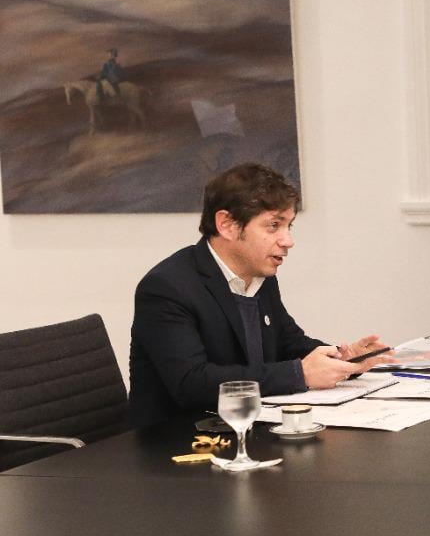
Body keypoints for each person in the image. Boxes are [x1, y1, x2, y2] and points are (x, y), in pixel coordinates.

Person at [129, 163, 392, 427]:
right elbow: (191, 383)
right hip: (176, 444)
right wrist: (299, 374)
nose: (288, 240)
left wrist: (341, 359)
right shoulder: (167, 288)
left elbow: (289, 343)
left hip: (247, 431)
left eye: (289, 226)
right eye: (274, 226)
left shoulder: (260, 276)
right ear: (228, 225)